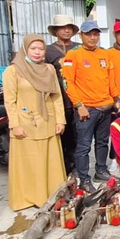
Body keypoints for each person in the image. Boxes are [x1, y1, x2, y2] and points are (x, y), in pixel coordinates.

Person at [3, 34, 67, 210]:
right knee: (30, 163)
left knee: (49, 161)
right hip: (26, 124)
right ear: (25, 49)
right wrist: (15, 125)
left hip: (48, 121)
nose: (37, 53)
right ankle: (30, 198)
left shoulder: (49, 69)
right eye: (33, 49)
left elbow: (56, 96)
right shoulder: (13, 71)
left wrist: (60, 120)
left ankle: (52, 195)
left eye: (41, 49)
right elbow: (9, 101)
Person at [61, 21, 115, 190]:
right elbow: (67, 82)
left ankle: (101, 169)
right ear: (81, 35)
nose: (93, 37)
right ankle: (84, 178)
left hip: (105, 107)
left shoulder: (104, 54)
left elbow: (110, 79)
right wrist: (78, 105)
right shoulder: (73, 55)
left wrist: (116, 99)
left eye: (95, 34)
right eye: (89, 34)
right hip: (87, 109)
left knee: (102, 142)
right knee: (84, 146)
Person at [45, 14, 80, 171]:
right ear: (56, 30)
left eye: (69, 28)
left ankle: (78, 168)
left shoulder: (79, 48)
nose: (66, 31)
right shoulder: (48, 51)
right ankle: (63, 168)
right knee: (62, 135)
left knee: (79, 137)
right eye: (62, 28)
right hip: (59, 99)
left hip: (79, 99)